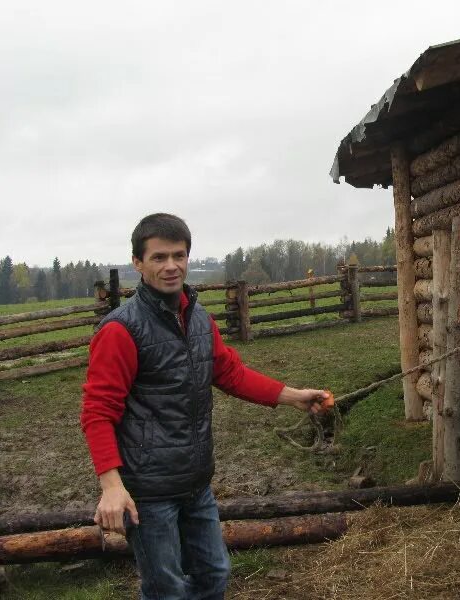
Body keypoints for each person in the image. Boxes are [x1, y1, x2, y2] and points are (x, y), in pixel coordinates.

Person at [80, 213, 330, 599]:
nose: (171, 266)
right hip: (149, 490)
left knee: (214, 574)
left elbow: (230, 373)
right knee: (166, 589)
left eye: (178, 256)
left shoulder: (197, 318)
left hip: (196, 482)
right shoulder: (120, 330)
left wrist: (294, 397)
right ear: (137, 263)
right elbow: (98, 412)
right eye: (159, 257)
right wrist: (112, 486)